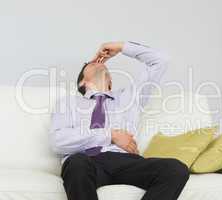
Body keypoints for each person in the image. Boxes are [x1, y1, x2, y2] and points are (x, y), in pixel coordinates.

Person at [50, 41, 189, 200]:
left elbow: (160, 60)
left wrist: (121, 47)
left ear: (110, 81)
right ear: (82, 82)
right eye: (90, 63)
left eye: (101, 63)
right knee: (76, 163)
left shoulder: (129, 97)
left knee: (175, 169)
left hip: (125, 161)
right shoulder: (68, 103)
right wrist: (110, 135)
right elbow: (58, 141)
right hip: (85, 161)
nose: (97, 61)